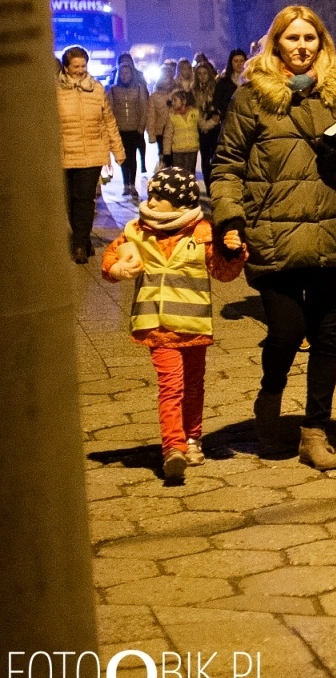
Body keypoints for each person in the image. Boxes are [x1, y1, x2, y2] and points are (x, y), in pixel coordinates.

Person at [211, 5, 336, 472]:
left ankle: (315, 432)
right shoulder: (251, 96)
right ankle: (270, 399)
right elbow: (227, 165)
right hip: (273, 233)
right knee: (286, 330)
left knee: (325, 337)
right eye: (292, 38)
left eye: (309, 38)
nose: (301, 47)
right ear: (276, 43)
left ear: (321, 42)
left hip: (330, 230)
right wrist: (230, 219)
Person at [101, 168, 246, 481]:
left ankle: (193, 438)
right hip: (157, 325)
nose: (151, 201)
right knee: (171, 386)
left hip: (193, 325)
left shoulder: (203, 232)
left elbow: (222, 272)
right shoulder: (137, 230)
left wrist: (234, 251)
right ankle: (173, 448)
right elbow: (112, 257)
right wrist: (115, 269)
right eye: (151, 194)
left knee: (193, 386)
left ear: (179, 202)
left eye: (159, 196)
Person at [57, 45, 125, 264]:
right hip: (65, 153)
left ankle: (79, 245)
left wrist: (118, 151)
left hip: (92, 153)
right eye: (75, 66)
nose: (80, 70)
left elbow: (109, 121)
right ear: (66, 67)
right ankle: (83, 238)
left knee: (85, 199)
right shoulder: (55, 90)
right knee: (70, 200)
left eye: (83, 66)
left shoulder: (96, 89)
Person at [107, 53, 151, 197]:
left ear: (132, 74)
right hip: (120, 130)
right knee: (123, 158)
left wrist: (141, 128)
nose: (125, 76)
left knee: (132, 157)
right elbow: (110, 110)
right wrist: (112, 129)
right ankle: (126, 185)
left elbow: (144, 108)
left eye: (127, 73)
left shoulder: (139, 88)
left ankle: (132, 185)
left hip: (134, 129)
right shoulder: (113, 90)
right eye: (122, 73)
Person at [192, 59, 222, 184]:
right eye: (199, 74)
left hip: (215, 126)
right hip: (201, 126)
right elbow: (194, 109)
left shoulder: (216, 88)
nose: (202, 76)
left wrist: (211, 122)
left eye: (204, 73)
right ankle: (208, 184)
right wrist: (202, 124)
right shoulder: (194, 90)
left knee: (215, 156)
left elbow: (219, 106)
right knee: (205, 157)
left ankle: (216, 183)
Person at [162, 90, 201, 176]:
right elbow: (167, 135)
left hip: (192, 149)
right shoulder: (172, 116)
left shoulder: (195, 113)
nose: (173, 103)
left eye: (175, 100)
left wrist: (213, 121)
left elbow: (202, 125)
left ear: (184, 101)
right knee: (179, 175)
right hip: (178, 150)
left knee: (190, 174)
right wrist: (166, 153)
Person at [147, 60, 178, 165]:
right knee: (164, 155)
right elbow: (151, 116)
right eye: (165, 78)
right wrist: (151, 135)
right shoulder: (154, 96)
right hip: (160, 131)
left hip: (176, 129)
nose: (167, 81)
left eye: (169, 78)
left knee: (175, 156)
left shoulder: (177, 93)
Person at [214, 48, 248, 119]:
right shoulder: (223, 83)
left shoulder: (251, 81)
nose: (239, 64)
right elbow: (217, 103)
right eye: (236, 61)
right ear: (231, 63)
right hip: (229, 119)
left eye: (241, 61)